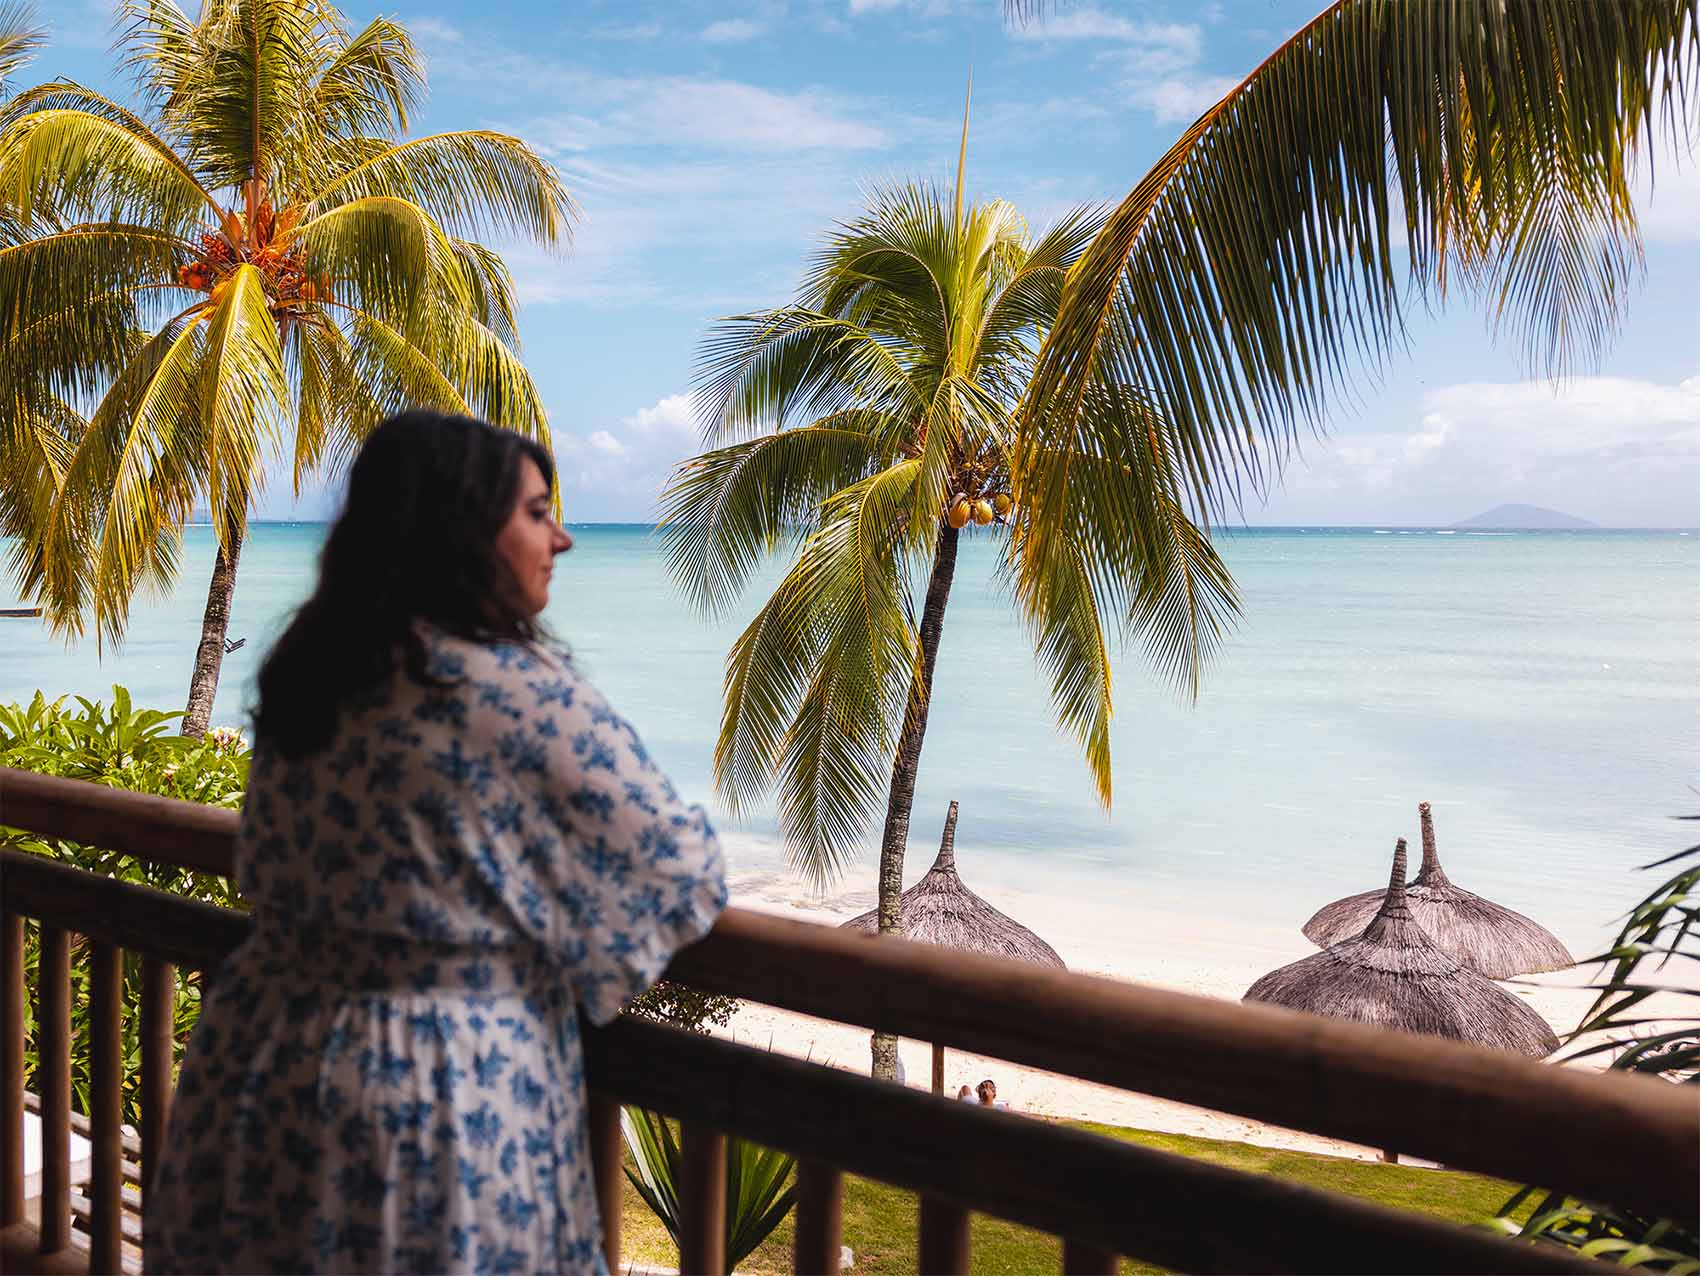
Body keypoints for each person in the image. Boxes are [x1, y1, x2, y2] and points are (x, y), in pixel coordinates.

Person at [145, 411, 728, 1274]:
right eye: (536, 512)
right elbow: (678, 871)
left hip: (263, 1056)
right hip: (435, 1090)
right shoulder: (513, 688)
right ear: (465, 526)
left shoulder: (317, 669)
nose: (562, 538)